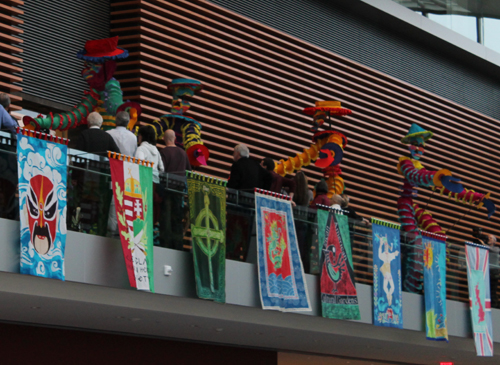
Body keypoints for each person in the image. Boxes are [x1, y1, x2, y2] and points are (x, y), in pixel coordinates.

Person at [487, 234, 500, 308]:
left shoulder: (496, 248)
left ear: (494, 241)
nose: (489, 239)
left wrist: (483, 244)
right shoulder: (485, 248)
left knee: (493, 290)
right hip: (486, 272)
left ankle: (494, 305)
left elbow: (492, 250)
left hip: (494, 273)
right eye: (488, 238)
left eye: (490, 238)